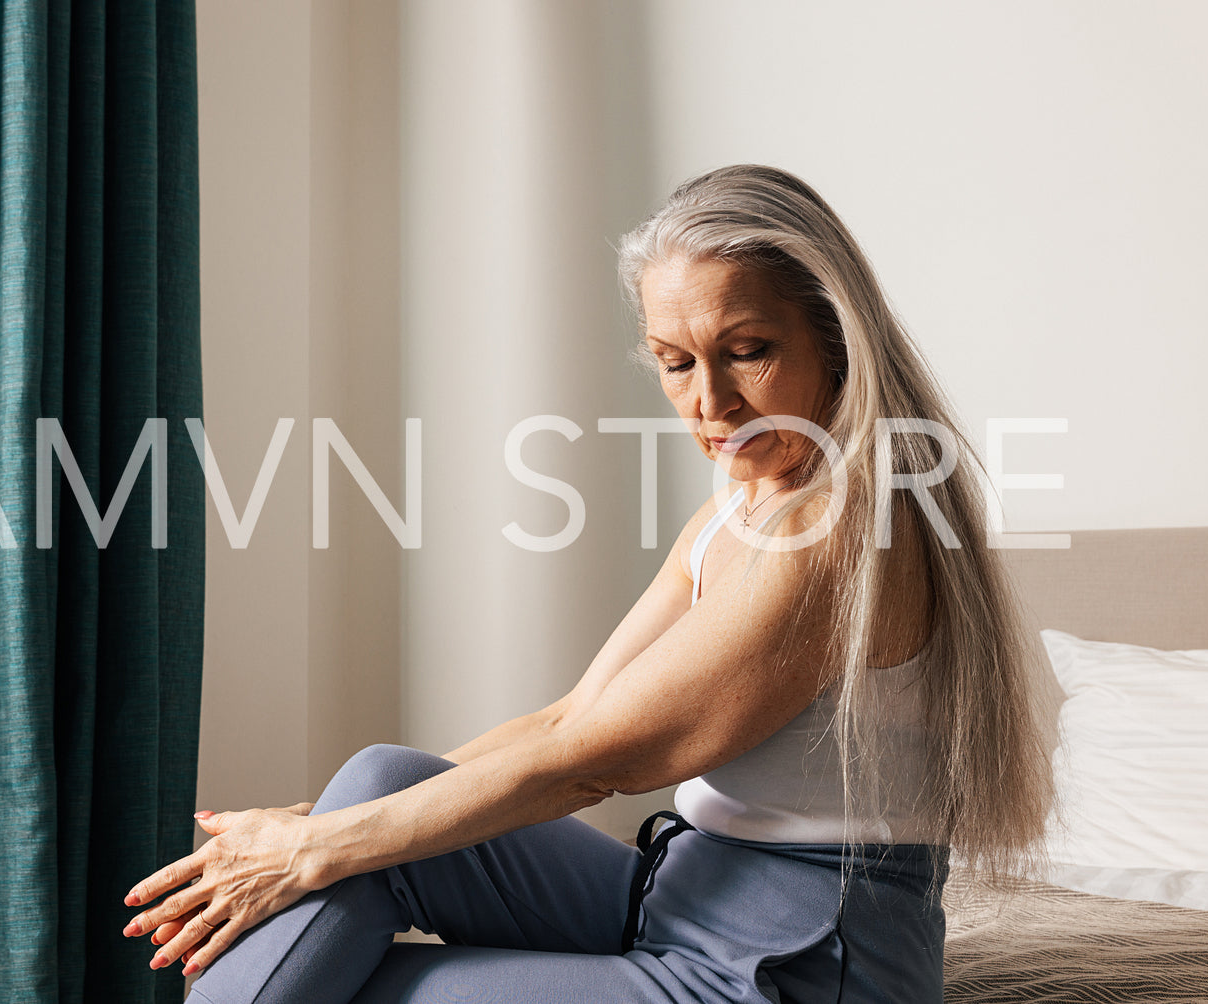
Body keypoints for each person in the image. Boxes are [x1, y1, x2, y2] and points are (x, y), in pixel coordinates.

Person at [121, 164, 1053, 1002]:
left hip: (790, 966)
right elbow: (568, 716)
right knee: (380, 780)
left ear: (835, 342)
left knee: (343, 952)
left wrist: (314, 848)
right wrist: (333, 816)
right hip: (680, 890)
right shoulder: (742, 507)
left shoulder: (846, 531)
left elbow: (595, 762)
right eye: (676, 362)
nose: (709, 404)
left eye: (747, 350)